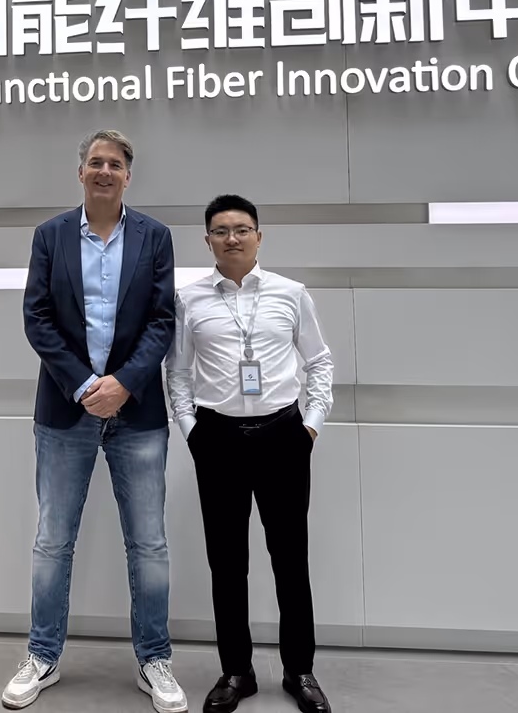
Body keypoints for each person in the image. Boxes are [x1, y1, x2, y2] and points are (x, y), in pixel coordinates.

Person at [2, 130, 187, 713]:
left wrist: (124, 383)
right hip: (65, 408)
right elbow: (37, 319)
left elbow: (162, 320)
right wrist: (85, 385)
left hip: (138, 412)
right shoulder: (50, 236)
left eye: (115, 164)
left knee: (149, 543)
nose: (104, 171)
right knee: (53, 541)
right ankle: (42, 655)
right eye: (95, 162)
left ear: (129, 175)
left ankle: (155, 660)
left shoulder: (155, 237)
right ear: (79, 172)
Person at [166, 194, 335, 713]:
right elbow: (178, 372)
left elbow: (320, 362)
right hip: (217, 440)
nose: (232, 238)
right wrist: (192, 431)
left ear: (259, 236)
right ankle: (236, 671)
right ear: (208, 240)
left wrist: (310, 426)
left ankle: (299, 670)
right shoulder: (189, 299)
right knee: (226, 562)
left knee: (290, 558)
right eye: (221, 230)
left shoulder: (291, 293)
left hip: (284, 437)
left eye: (242, 229)